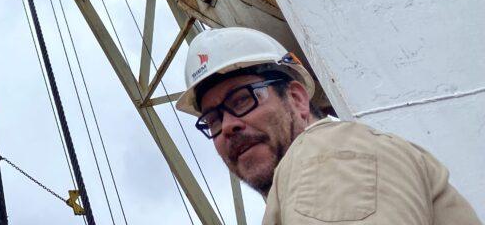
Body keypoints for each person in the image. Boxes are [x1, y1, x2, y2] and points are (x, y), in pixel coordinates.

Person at [175, 27, 481, 225]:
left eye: (242, 100)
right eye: (213, 120)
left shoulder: (325, 153)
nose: (227, 126)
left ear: (296, 98)